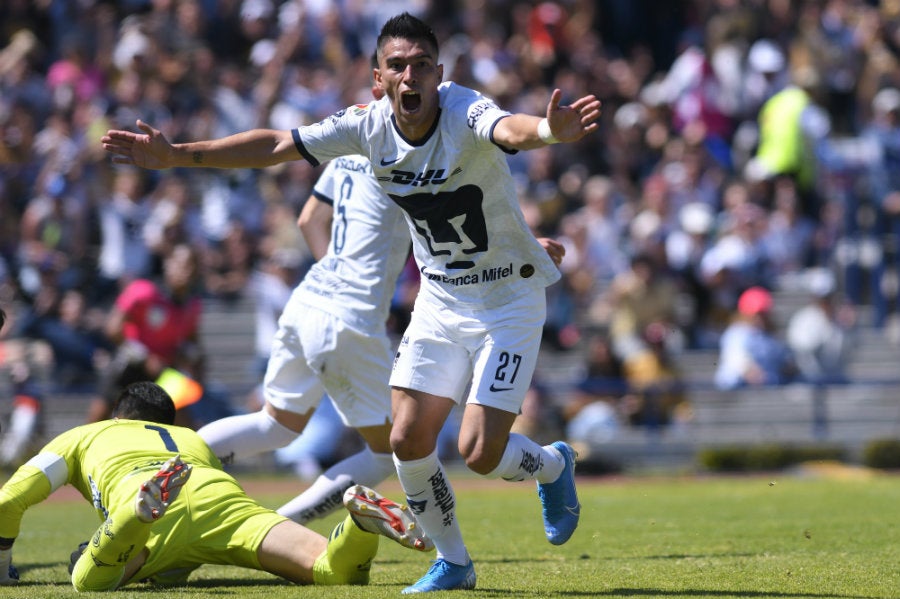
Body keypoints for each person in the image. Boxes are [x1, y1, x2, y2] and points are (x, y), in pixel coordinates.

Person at [101, 12, 599, 593]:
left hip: (507, 299)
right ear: (378, 80)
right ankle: (454, 562)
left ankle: (554, 464)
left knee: (479, 453)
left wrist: (547, 131)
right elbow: (277, 145)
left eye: (421, 65)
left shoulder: (465, 109)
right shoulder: (364, 129)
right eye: (398, 66)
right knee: (405, 439)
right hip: (439, 300)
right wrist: (178, 156)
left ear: (439, 74)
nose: (410, 76)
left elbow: (510, 130)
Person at [0, 381, 430, 590]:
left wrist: (3, 568)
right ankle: (357, 522)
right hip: (218, 496)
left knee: (89, 582)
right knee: (333, 573)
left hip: (153, 512)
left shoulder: (84, 434)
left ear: (117, 415)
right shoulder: (190, 439)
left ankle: (134, 513)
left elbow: (8, 500)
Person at [714, 286, 797, 390]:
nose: (760, 318)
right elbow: (743, 365)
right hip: (736, 394)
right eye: (757, 313)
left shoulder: (768, 336)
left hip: (763, 393)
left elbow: (785, 364)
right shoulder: (736, 333)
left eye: (763, 314)